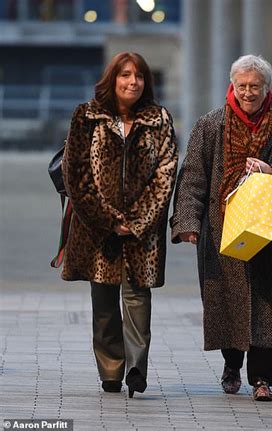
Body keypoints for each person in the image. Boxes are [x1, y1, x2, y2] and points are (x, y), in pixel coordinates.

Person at [170, 54, 272, 401]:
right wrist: (188, 222)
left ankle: (262, 378)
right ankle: (232, 364)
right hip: (222, 230)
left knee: (267, 303)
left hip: (269, 231)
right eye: (243, 86)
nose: (248, 92)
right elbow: (192, 176)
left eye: (255, 86)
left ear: (267, 88)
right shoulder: (211, 124)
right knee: (226, 303)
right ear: (232, 85)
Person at [61, 52, 178, 397]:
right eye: (125, 75)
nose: (133, 82)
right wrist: (109, 221)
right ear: (112, 79)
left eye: (139, 76)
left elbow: (166, 172)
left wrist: (138, 220)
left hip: (143, 231)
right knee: (104, 302)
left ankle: (136, 368)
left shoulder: (159, 119)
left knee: (138, 299)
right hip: (98, 229)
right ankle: (111, 370)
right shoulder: (86, 116)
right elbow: (76, 174)